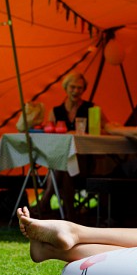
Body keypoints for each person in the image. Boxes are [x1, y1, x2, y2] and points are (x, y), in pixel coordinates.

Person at [38, 71, 107, 218]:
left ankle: (45, 201)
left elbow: (106, 128)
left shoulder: (91, 109)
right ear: (66, 88)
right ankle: (70, 216)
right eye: (72, 87)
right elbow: (50, 140)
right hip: (63, 161)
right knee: (65, 167)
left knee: (62, 165)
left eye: (80, 88)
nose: (76, 91)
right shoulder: (56, 112)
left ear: (84, 90)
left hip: (85, 161)